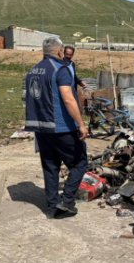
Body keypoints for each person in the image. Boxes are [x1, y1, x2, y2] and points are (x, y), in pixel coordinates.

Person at [24, 37, 88, 218]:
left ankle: (52, 206)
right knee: (79, 162)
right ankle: (67, 201)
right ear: (60, 51)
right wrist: (81, 125)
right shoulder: (61, 70)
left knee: (50, 166)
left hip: (40, 128)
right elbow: (68, 98)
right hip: (61, 127)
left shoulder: (32, 71)